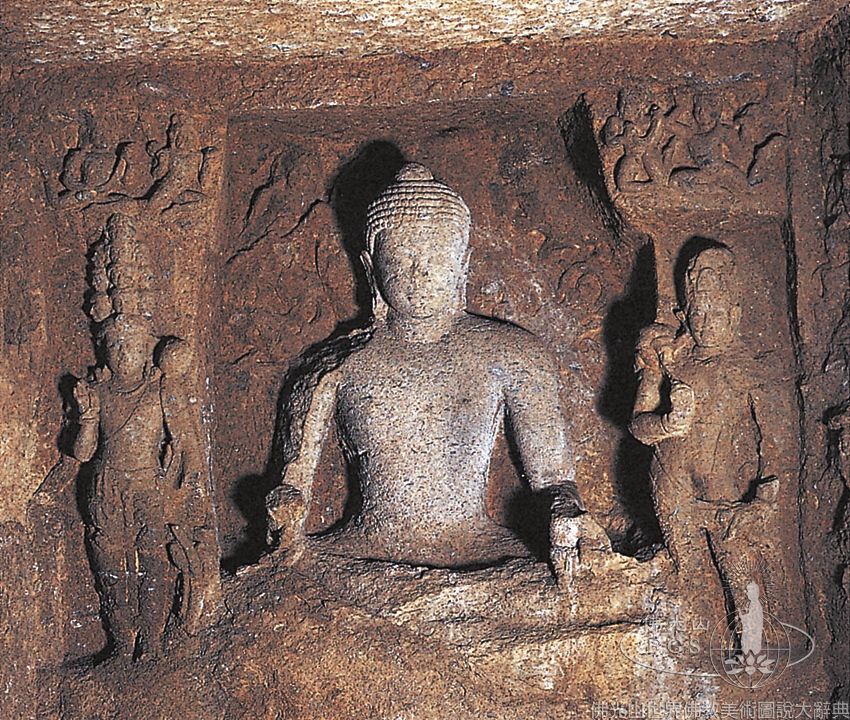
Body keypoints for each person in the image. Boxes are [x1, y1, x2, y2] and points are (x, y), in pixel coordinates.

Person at [267, 163, 583, 568]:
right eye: (403, 254)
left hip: (480, 553)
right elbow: (291, 487)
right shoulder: (333, 367)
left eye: (437, 254)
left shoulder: (513, 354)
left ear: (463, 262)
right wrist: (285, 512)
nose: (421, 271)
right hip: (360, 559)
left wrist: (563, 514)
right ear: (371, 267)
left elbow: (555, 480)